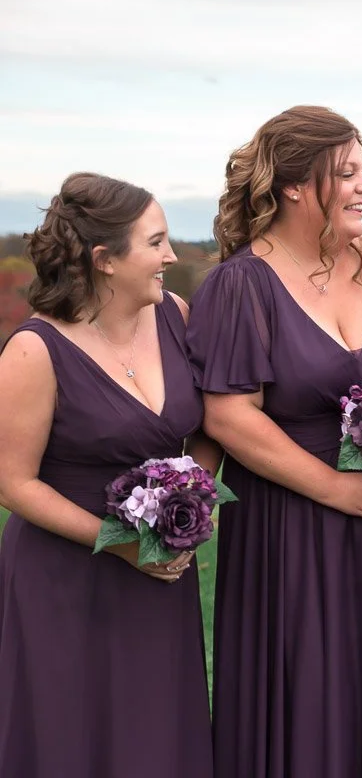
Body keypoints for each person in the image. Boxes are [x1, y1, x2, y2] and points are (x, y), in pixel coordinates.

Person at [186, 106, 362, 777]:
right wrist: (335, 489)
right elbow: (229, 416)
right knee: (308, 703)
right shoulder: (241, 285)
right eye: (348, 173)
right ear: (297, 186)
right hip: (291, 529)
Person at [0, 173, 214, 777]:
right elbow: (12, 483)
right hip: (65, 578)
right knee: (69, 735)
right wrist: (121, 544)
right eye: (157, 242)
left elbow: (203, 429)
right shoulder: (34, 350)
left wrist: (195, 504)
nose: (172, 256)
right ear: (105, 261)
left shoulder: (175, 314)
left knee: (152, 736)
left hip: (159, 573)